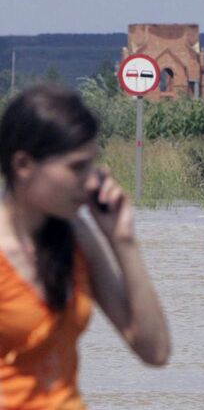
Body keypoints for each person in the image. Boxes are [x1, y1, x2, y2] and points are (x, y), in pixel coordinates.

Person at [0, 84, 171, 409]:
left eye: (92, 165)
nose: (93, 181)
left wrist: (123, 241)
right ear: (23, 165)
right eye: (77, 167)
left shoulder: (76, 237)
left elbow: (155, 351)